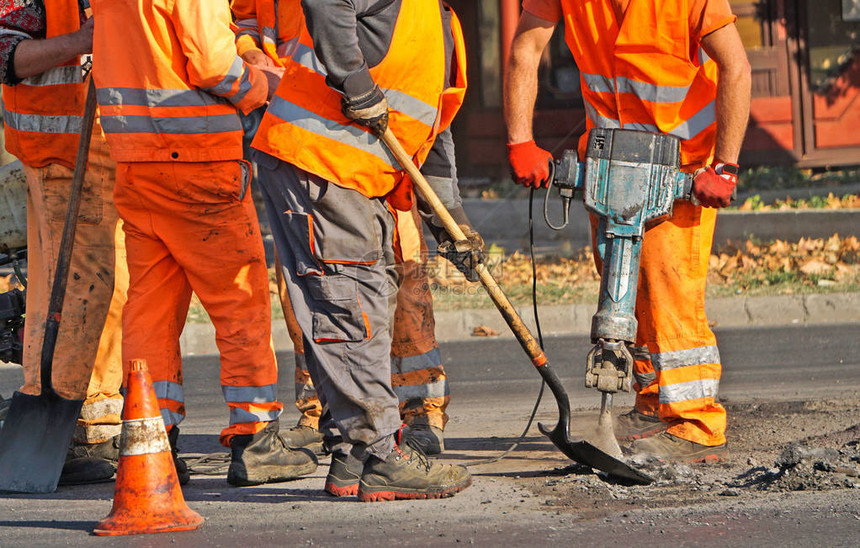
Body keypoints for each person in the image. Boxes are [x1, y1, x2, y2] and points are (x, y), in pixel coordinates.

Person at [504, 0, 751, 462]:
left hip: (682, 169)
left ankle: (694, 422)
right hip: (610, 164)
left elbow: (736, 68)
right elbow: (526, 47)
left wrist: (726, 166)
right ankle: (652, 403)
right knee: (627, 292)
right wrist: (520, 139)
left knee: (668, 293)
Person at [250, 0, 475, 501]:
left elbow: (431, 131)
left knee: (366, 300)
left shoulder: (442, 24)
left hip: (356, 177)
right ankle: (378, 454)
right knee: (352, 305)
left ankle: (354, 456)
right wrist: (354, 80)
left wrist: (451, 221)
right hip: (321, 163)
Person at [88, 0, 315, 486]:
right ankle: (255, 438)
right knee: (239, 298)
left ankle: (153, 435)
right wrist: (266, 87)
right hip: (197, 159)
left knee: (149, 305)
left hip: (135, 159)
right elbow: (211, 64)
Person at [0, 0, 127, 484]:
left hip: (120, 148)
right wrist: (81, 42)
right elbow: (4, 53)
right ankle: (72, 422)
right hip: (60, 153)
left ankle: (99, 420)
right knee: (76, 289)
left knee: (113, 289)